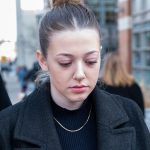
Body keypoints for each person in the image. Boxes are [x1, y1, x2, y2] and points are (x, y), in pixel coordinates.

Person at [0, 0, 150, 149]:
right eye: (65, 62)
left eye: (91, 61)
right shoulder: (7, 126)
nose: (80, 74)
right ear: (43, 60)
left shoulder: (130, 113)